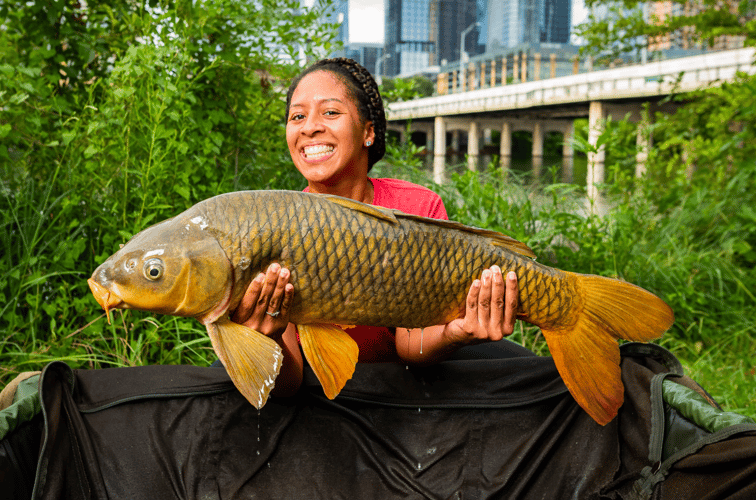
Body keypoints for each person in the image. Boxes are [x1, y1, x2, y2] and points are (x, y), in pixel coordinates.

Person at [229, 58, 524, 396]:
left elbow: (410, 344)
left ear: (368, 131)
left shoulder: (416, 208)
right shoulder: (279, 227)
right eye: (298, 116)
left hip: (403, 384)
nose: (309, 127)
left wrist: (457, 331)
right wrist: (265, 337)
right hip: (317, 389)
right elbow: (288, 383)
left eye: (330, 112)